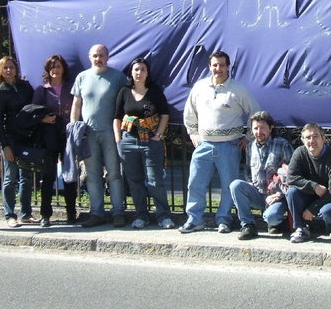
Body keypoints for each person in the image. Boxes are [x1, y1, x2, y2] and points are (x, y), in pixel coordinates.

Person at [179, 50, 262, 234]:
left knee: (228, 185)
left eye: (222, 65)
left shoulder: (238, 89)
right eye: (215, 65)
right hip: (204, 144)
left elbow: (255, 112)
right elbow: (189, 113)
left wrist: (248, 137)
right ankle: (194, 220)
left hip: (230, 145)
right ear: (210, 67)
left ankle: (224, 220)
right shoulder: (199, 88)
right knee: (195, 183)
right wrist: (193, 133)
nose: (218, 69)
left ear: (228, 66)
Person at [71, 44, 127, 228]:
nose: (98, 58)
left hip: (111, 133)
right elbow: (76, 105)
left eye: (101, 55)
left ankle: (118, 212)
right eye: (95, 55)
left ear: (107, 57)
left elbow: (127, 102)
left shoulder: (118, 77)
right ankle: (97, 213)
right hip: (89, 134)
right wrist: (75, 129)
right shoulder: (82, 77)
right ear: (90, 57)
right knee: (92, 175)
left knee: (114, 174)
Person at [114, 58, 174, 229]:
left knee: (155, 180)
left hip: (150, 140)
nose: (139, 73)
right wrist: (119, 138)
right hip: (128, 141)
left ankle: (163, 216)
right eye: (136, 69)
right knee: (135, 181)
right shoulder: (124, 91)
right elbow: (117, 117)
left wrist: (159, 135)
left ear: (147, 73)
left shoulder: (154, 91)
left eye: (142, 69)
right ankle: (141, 215)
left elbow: (164, 114)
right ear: (131, 72)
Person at [230, 111, 294, 240]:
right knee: (235, 185)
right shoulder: (250, 147)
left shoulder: (282, 144)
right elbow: (247, 169)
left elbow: (293, 173)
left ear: (271, 128)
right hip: (258, 193)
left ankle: (276, 222)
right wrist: (249, 182)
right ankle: (248, 225)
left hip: (277, 196)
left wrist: (279, 194)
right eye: (255, 128)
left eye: (263, 128)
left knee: (272, 217)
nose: (259, 132)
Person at [0, 56, 40, 227]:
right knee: (10, 177)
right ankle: (9, 215)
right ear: (0, 71)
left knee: (26, 176)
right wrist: (5, 146)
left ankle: (26, 213)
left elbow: (34, 107)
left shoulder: (25, 86)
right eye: (5, 68)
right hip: (11, 139)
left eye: (11, 67)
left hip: (26, 136)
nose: (9, 70)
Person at [286, 123, 331, 243]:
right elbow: (291, 178)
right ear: (303, 140)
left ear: (323, 138)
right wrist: (313, 186)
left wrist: (312, 208)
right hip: (310, 194)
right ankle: (301, 228)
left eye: (315, 136)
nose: (312, 141)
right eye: (308, 137)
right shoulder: (300, 153)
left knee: (327, 211)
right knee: (292, 192)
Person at [32, 54, 76, 226]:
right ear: (47, 71)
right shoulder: (41, 90)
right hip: (48, 137)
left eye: (58, 66)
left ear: (63, 68)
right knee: (48, 176)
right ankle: (45, 214)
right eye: (52, 67)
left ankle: (71, 212)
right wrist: (43, 119)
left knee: (69, 175)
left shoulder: (71, 88)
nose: (55, 70)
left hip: (67, 136)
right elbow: (32, 112)